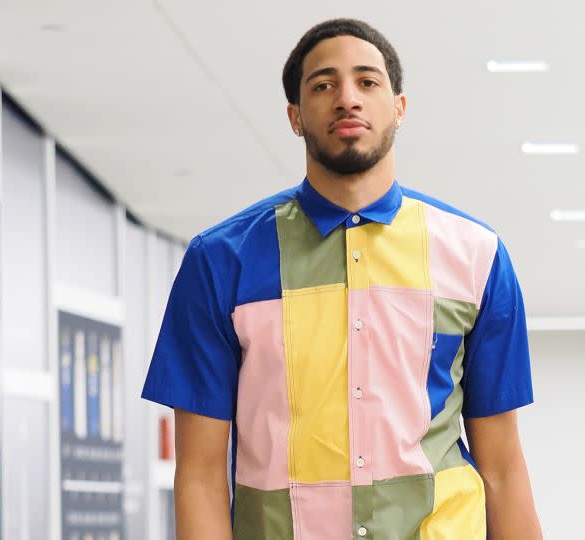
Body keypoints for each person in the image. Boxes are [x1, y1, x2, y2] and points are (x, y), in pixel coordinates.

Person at [142, 17, 542, 540]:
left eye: (368, 82)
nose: (347, 98)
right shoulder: (220, 260)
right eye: (323, 85)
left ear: (399, 107)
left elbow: (504, 469)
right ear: (295, 116)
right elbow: (198, 476)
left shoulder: (476, 255)